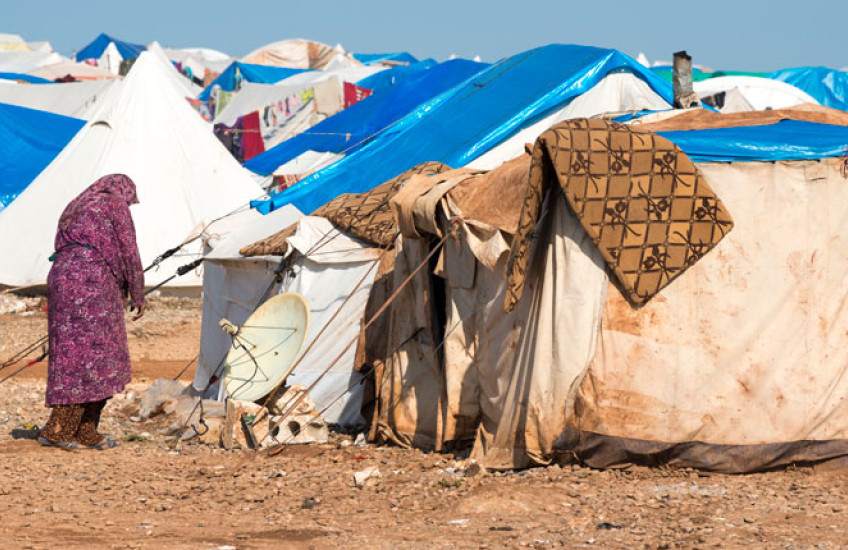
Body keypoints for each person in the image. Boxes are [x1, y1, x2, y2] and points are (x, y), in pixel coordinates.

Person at [38, 174, 145, 450]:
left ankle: (82, 430)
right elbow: (129, 248)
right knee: (99, 357)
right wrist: (137, 290)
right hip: (92, 282)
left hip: (61, 278)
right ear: (125, 192)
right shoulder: (114, 205)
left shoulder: (76, 204)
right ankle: (61, 429)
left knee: (71, 357)